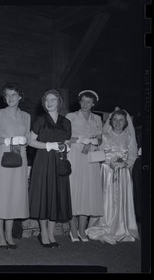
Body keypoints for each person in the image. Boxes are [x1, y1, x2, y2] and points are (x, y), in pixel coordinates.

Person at [0, 83, 31, 249]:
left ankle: (9, 234)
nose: (11, 98)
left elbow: (28, 138)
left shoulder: (26, 116)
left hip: (20, 157)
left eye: (14, 95)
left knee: (14, 195)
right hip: (4, 156)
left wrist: (26, 140)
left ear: (20, 97)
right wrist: (5, 140)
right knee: (2, 195)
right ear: (4, 98)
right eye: (7, 95)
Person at [85, 108, 139, 244]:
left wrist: (125, 164)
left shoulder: (129, 138)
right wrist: (109, 162)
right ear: (111, 121)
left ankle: (121, 229)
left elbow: (132, 157)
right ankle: (104, 227)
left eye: (121, 120)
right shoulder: (104, 136)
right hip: (107, 172)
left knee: (121, 200)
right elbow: (99, 154)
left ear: (125, 122)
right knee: (106, 199)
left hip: (123, 174)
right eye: (115, 119)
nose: (118, 122)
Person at [28, 89, 72, 248]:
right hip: (43, 160)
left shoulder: (66, 122)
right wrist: (48, 145)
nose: (49, 102)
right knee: (44, 196)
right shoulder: (40, 120)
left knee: (57, 195)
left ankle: (51, 233)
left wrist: (66, 148)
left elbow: (67, 142)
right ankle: (44, 233)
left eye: (53, 99)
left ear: (59, 102)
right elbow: (30, 141)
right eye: (47, 100)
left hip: (59, 161)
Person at [65, 90, 103, 242]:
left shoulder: (97, 119)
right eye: (83, 101)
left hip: (90, 157)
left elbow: (100, 138)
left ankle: (82, 229)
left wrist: (94, 141)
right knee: (75, 191)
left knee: (88, 193)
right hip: (75, 155)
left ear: (93, 103)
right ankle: (73, 229)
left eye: (89, 102)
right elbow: (65, 137)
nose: (86, 104)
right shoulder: (71, 116)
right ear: (79, 102)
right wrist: (82, 140)